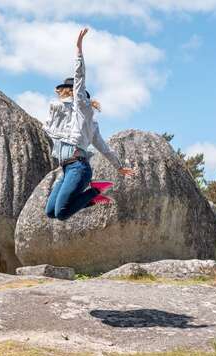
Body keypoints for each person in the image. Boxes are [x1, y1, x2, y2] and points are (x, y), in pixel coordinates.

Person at [43, 28, 135, 221]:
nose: (60, 93)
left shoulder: (82, 109)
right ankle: (92, 197)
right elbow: (103, 146)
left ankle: (93, 192)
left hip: (79, 167)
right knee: (50, 212)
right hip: (67, 168)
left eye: (65, 90)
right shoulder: (66, 117)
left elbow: (79, 78)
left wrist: (78, 48)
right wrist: (119, 166)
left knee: (61, 213)